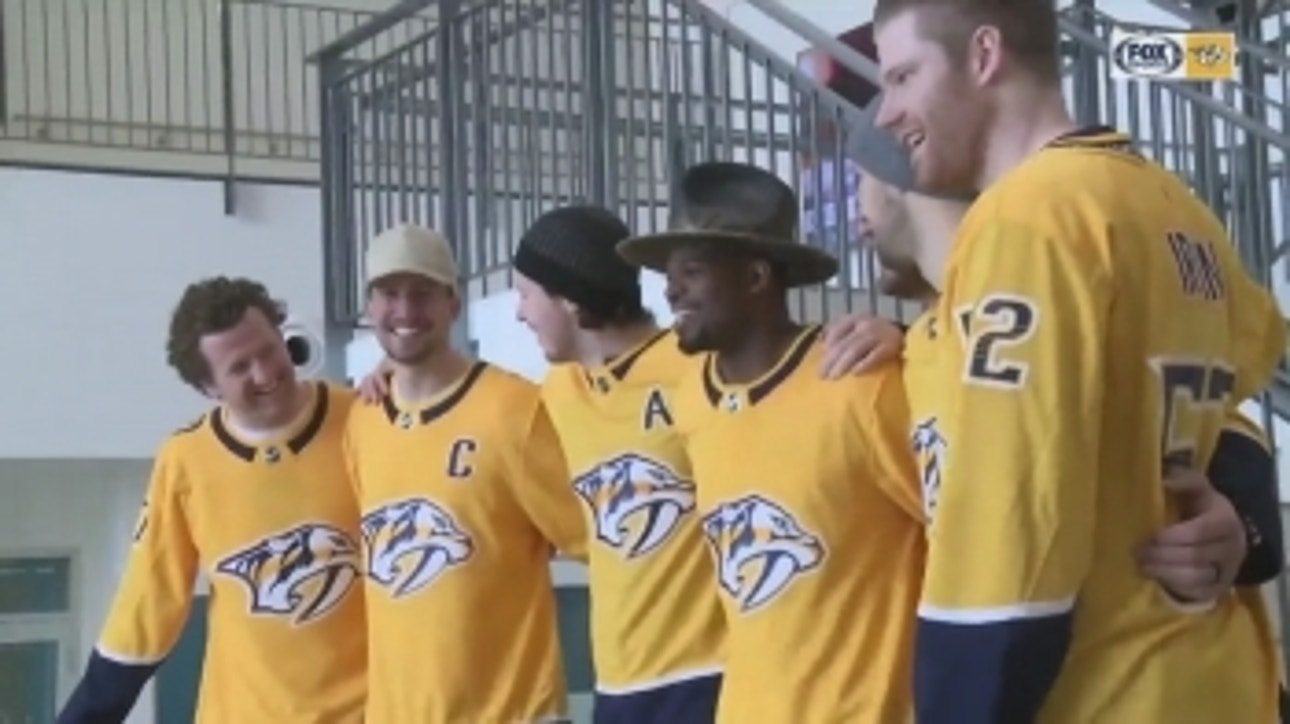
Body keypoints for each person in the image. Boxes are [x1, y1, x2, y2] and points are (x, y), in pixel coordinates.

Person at [869, 1, 1288, 720]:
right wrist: (1247, 522)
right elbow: (1232, 403)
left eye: (904, 75)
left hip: (1105, 694)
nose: (886, 113)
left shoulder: (1029, 217)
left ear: (984, 55)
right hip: (1213, 683)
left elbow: (1012, 526)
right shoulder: (1174, 208)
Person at [357, 207, 904, 723]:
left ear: (568, 300)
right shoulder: (556, 394)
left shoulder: (696, 370)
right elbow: (461, 409)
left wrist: (892, 338)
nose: (520, 311)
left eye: (525, 295)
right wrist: (392, 367)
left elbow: (784, 383)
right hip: (617, 683)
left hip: (714, 672)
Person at [617, 160, 927, 723]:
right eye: (669, 271)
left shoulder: (860, 383)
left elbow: (965, 534)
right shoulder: (691, 401)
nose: (670, 288)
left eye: (692, 270)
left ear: (757, 278)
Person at [59, 277, 366, 724]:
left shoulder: (363, 421)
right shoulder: (187, 461)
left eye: (268, 350)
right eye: (240, 368)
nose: (265, 374)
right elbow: (149, 601)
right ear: (208, 388)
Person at [344, 223, 585, 723]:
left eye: (423, 294)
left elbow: (601, 547)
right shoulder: (363, 419)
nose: (405, 311)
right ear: (369, 309)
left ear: (453, 304)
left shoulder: (514, 410)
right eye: (390, 294)